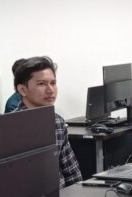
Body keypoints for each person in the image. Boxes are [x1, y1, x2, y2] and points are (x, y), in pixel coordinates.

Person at [12, 56, 82, 187]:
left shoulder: (57, 121)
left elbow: (72, 173)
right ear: (22, 90)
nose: (50, 90)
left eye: (53, 83)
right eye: (41, 84)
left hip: (60, 196)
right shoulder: (10, 127)